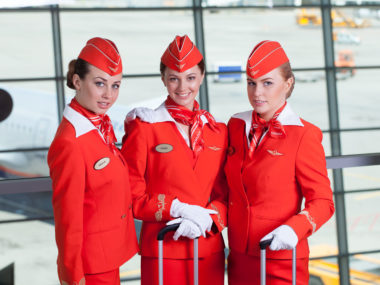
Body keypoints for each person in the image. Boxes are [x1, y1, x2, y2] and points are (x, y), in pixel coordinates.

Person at [225, 40, 335, 284]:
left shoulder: (304, 134)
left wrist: (294, 229)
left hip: (282, 258)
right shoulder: (235, 125)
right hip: (239, 257)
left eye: (267, 83)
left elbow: (323, 202)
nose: (257, 93)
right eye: (251, 83)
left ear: (288, 84)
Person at [121, 35, 228, 285]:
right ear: (163, 79)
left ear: (201, 77)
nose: (182, 88)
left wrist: (208, 221)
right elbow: (132, 196)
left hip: (208, 250)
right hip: (162, 250)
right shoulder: (144, 127)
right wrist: (177, 209)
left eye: (190, 78)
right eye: (174, 79)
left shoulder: (218, 132)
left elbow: (227, 195)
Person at [48, 37, 138, 285]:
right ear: (77, 81)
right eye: (100, 84)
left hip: (106, 259)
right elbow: (68, 219)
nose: (108, 95)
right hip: (89, 269)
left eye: (115, 86)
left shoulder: (97, 127)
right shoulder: (71, 141)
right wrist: (73, 275)